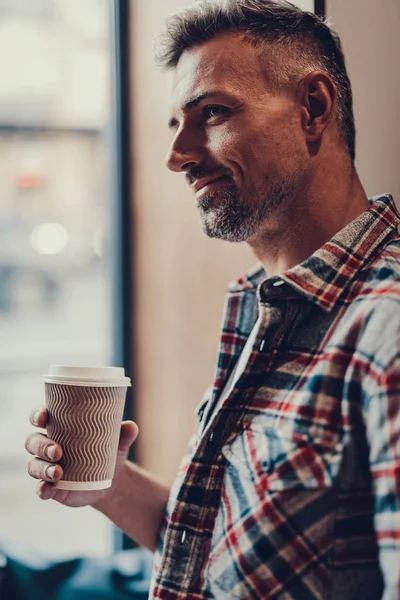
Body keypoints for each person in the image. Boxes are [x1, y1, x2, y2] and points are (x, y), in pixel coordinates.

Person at [25, 1, 400, 598]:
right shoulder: (260, 303)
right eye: (177, 124)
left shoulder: (386, 328)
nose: (179, 156)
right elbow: (226, 550)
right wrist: (110, 486)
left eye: (214, 113)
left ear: (314, 109)